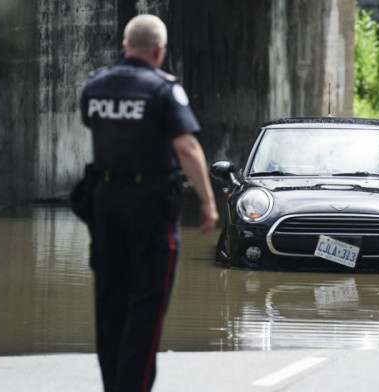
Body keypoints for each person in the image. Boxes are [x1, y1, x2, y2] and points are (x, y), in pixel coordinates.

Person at [79, 14, 218, 392]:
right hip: (150, 207)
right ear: (159, 50)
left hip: (104, 205)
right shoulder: (163, 90)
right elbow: (187, 146)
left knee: (110, 302)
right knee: (146, 306)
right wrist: (208, 202)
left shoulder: (96, 86)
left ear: (125, 47)